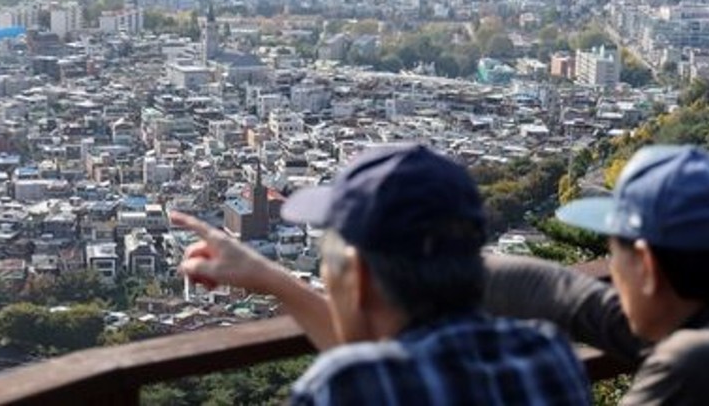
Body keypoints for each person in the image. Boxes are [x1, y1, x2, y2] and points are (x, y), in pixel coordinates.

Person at [173, 144, 591, 405]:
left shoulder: (343, 386)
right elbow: (409, 369)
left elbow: (374, 371)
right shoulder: (544, 353)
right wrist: (270, 278)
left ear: (357, 277)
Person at [483, 144, 709, 405]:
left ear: (647, 263)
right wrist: (460, 267)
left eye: (614, 255)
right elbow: (576, 300)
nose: (612, 269)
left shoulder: (693, 365)